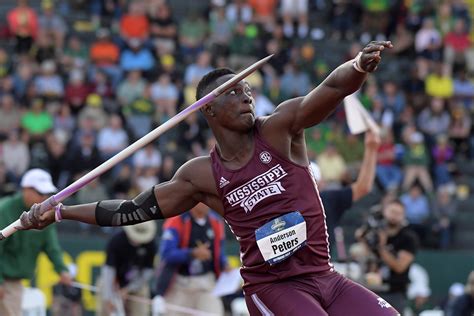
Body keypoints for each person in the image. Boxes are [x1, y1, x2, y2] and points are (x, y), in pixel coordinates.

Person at [18, 41, 400, 315]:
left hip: (325, 276)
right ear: (210, 109)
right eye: (234, 93)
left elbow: (330, 90)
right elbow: (131, 211)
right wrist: (61, 213)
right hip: (274, 287)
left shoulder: (280, 130)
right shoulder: (201, 175)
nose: (247, 97)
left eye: (248, 90)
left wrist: (357, 67)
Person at [0, 169, 71, 316]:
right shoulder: (4, 210)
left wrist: (62, 269)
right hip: (5, 282)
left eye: (47, 194)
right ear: (26, 189)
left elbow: (51, 246)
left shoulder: (43, 215)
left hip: (14, 284)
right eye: (40, 192)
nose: (44, 197)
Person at [155, 202, 227, 315]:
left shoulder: (216, 222)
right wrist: (192, 253)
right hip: (180, 283)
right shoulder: (177, 221)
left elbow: (219, 251)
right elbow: (166, 254)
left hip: (206, 282)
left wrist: (225, 265)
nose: (206, 203)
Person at [321, 130, 381, 248]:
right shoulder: (286, 200)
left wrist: (371, 149)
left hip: (319, 264)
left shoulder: (326, 199)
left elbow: (363, 187)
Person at [356, 200, 419, 313]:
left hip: (394, 292)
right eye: (392, 212)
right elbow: (361, 247)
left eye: (398, 213)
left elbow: (399, 267)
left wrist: (381, 246)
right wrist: (364, 237)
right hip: (372, 290)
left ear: (403, 216)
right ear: (384, 212)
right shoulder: (375, 233)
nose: (394, 216)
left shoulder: (408, 238)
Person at [96, 221, 157, 316]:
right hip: (112, 282)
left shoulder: (151, 245)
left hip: (137, 284)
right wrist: (108, 297)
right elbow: (109, 270)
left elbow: (147, 272)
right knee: (105, 309)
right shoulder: (117, 240)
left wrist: (129, 289)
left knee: (141, 312)